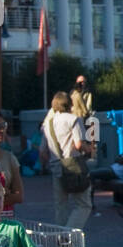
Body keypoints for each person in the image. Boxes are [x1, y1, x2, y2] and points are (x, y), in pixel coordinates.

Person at [40, 91, 93, 229]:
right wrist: (89, 149)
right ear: (69, 104)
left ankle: (60, 236)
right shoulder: (73, 119)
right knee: (83, 204)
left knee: (61, 205)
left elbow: (42, 151)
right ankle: (68, 234)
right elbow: (78, 144)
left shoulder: (48, 124)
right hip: (73, 165)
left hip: (56, 166)